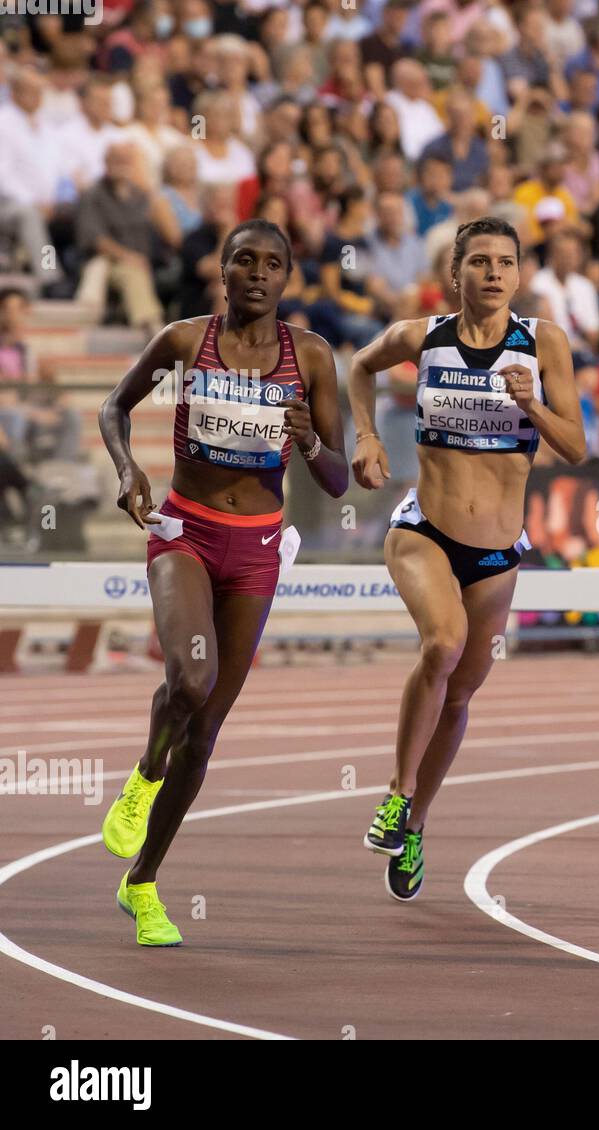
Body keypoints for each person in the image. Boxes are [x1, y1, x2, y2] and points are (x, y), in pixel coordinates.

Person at [98, 219, 348, 945]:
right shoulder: (184, 341)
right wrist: (127, 468)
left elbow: (334, 480)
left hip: (259, 548)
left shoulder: (313, 357)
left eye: (274, 263)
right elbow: (115, 406)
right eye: (246, 260)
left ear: (288, 278)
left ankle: (142, 884)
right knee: (190, 680)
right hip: (185, 531)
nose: (259, 274)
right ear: (224, 270)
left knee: (204, 735)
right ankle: (144, 775)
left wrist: (306, 440)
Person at [348, 216, 585, 901]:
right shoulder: (422, 338)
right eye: (478, 262)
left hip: (498, 552)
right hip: (424, 529)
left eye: (504, 263)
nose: (491, 273)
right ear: (456, 274)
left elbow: (575, 447)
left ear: (519, 274)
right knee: (443, 645)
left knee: (460, 693)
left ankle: (417, 822)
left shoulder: (545, 344)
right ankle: (396, 793)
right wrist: (367, 436)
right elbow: (359, 367)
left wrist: (532, 405)